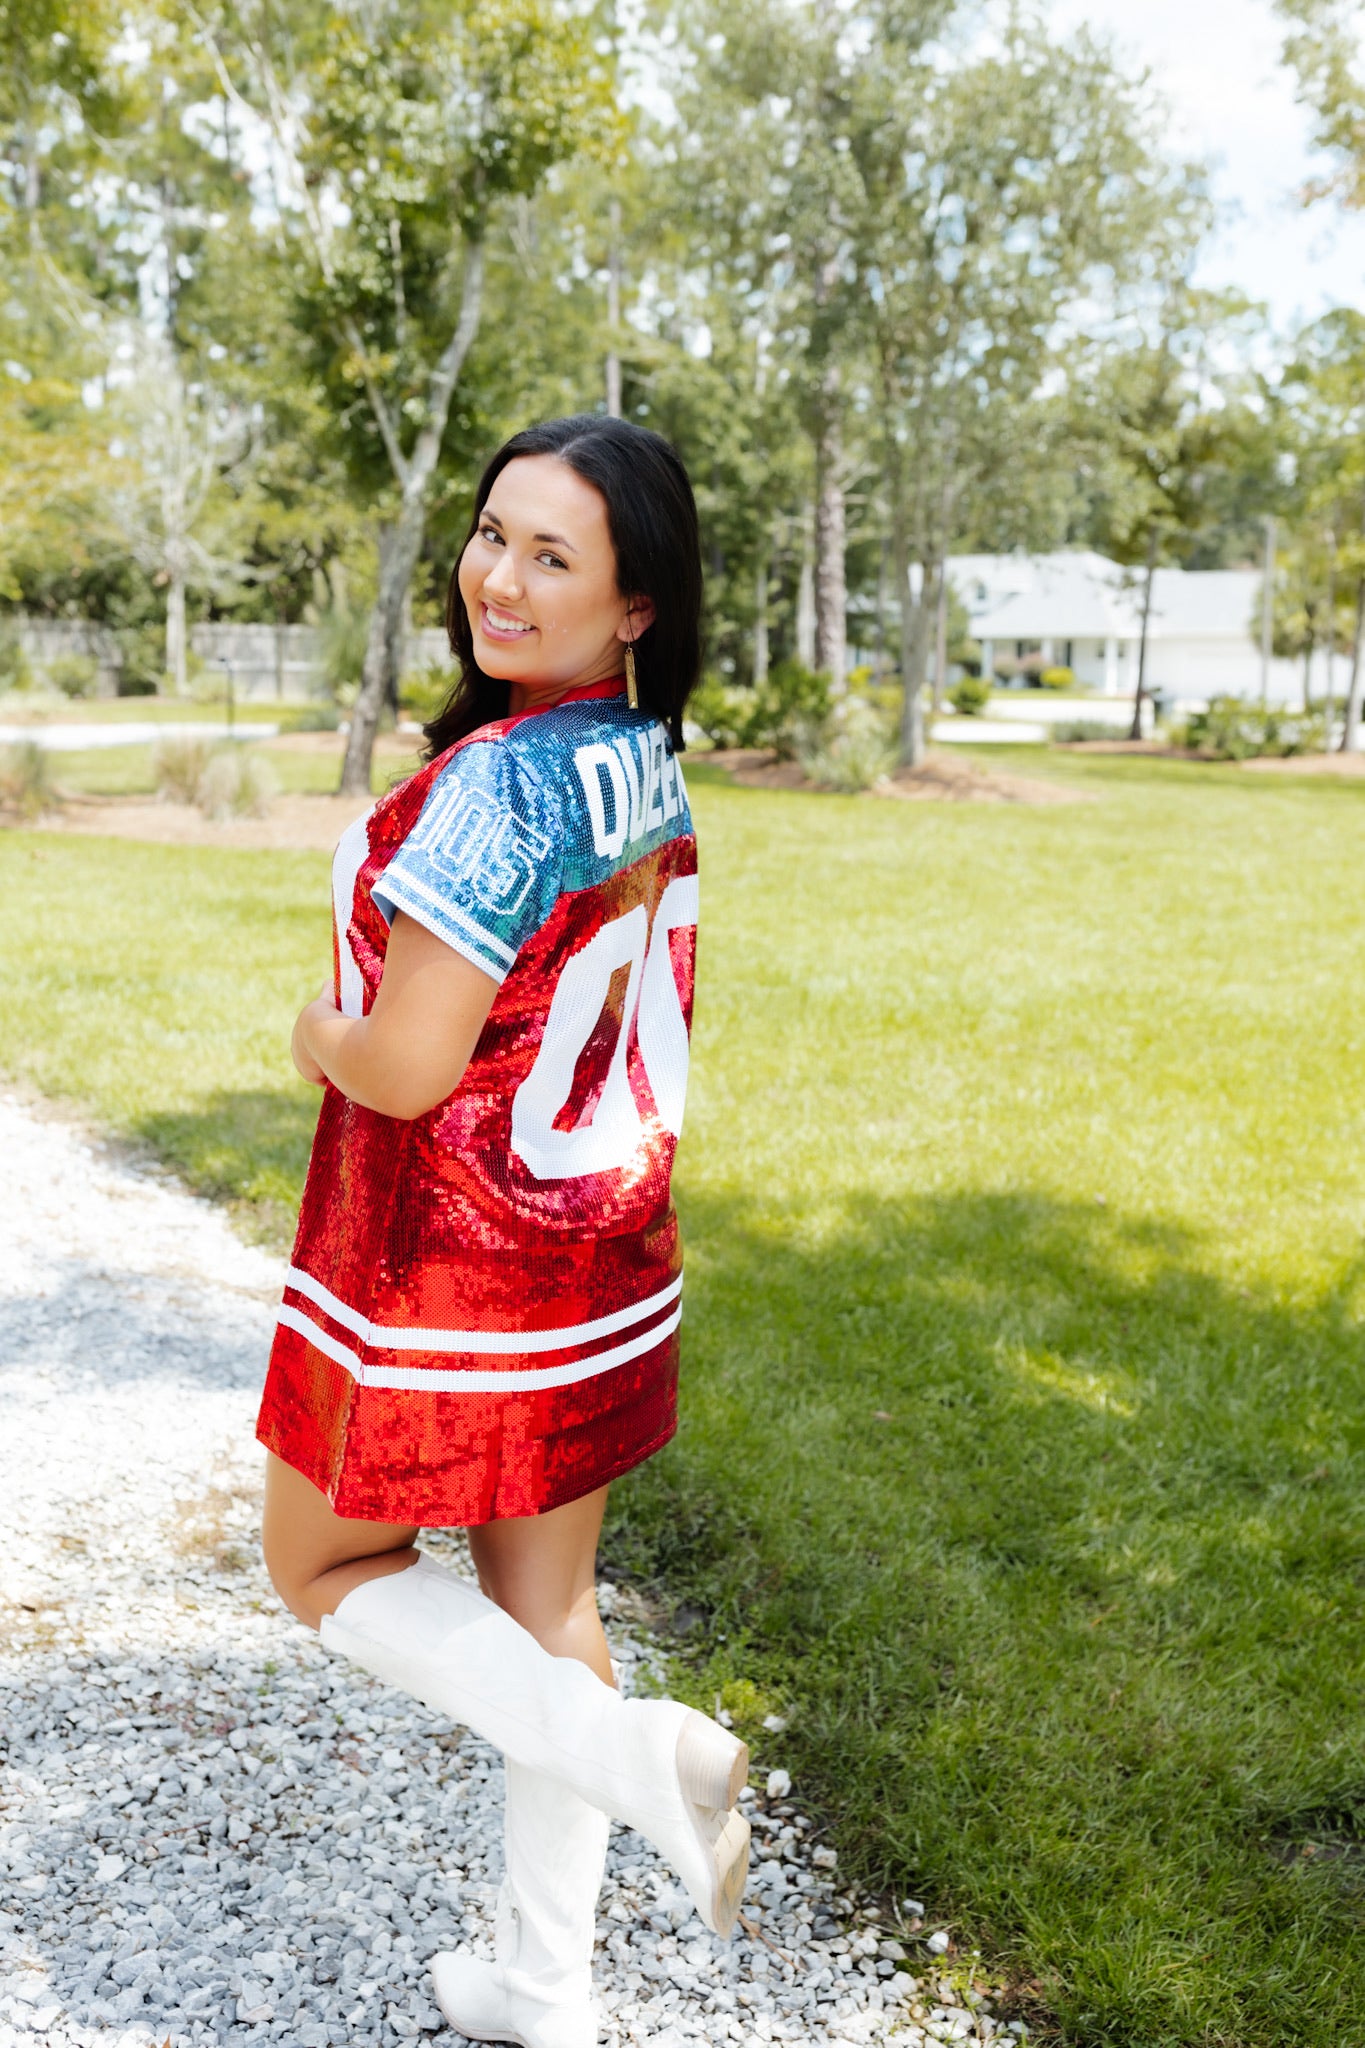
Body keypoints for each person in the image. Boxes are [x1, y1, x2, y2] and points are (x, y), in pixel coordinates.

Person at [254, 414, 749, 2048]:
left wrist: (318, 1033)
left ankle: (638, 1760)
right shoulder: (639, 755)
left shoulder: (495, 786)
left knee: (322, 1562)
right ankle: (544, 1985)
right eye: (492, 534)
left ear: (636, 605)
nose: (498, 577)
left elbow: (401, 1066)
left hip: (444, 1270)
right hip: (597, 1251)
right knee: (546, 1612)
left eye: (555, 556)